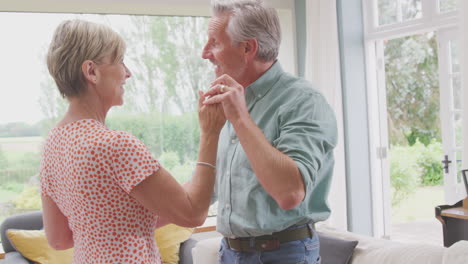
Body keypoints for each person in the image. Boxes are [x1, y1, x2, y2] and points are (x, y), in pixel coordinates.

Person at [40, 19, 225, 264]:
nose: (127, 73)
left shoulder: (52, 145)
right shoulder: (115, 145)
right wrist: (210, 133)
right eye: (120, 61)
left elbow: (59, 239)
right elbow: (192, 214)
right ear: (91, 71)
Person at [201, 0, 338, 263]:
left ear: (247, 48)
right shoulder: (232, 101)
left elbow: (290, 193)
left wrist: (241, 119)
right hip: (230, 253)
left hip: (283, 254)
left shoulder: (303, 101)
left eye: (215, 42)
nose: (205, 53)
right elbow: (211, 187)